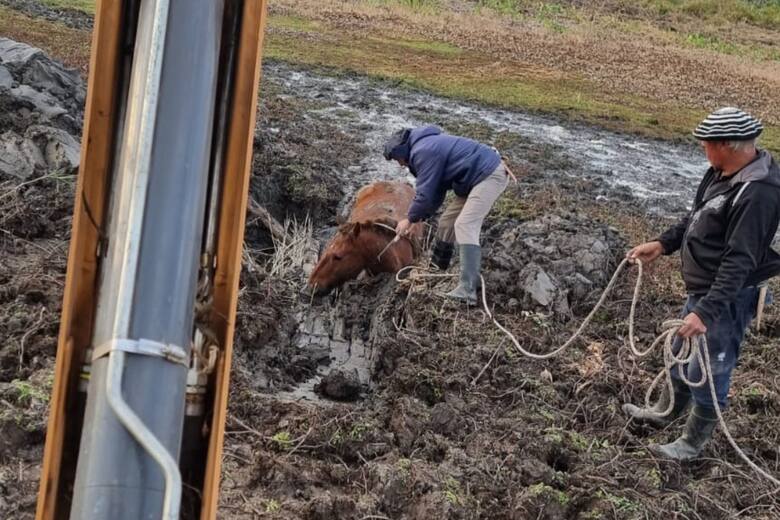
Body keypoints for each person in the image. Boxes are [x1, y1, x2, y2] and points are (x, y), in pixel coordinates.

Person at [623, 107, 780, 460]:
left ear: (726, 144)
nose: (702, 148)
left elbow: (740, 260)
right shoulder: (720, 171)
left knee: (709, 369)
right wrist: (663, 243)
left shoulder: (759, 193)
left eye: (706, 143)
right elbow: (697, 217)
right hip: (704, 288)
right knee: (680, 352)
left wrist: (707, 312)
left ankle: (692, 444)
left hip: (728, 296)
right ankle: (665, 412)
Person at [384, 126, 511, 304]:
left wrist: (409, 219)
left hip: (489, 175)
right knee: (446, 222)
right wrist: (418, 218)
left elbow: (425, 194)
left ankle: (468, 289)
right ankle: (437, 269)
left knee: (465, 224)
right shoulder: (425, 146)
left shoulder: (423, 152)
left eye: (398, 159)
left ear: (402, 151)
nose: (400, 164)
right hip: (473, 179)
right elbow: (436, 192)